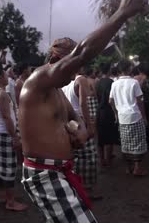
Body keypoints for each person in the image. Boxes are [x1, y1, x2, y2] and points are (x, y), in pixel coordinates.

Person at [20, 0, 149, 222]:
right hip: (44, 174)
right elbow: (82, 53)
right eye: (70, 65)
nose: (75, 71)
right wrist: (122, 12)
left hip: (60, 170)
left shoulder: (57, 91)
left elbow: (73, 115)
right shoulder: (38, 80)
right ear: (54, 61)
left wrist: (80, 131)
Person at [0, 66, 28, 211]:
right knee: (9, 168)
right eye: (5, 75)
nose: (7, 76)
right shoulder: (2, 94)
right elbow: (6, 117)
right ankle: (10, 201)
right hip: (4, 134)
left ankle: (3, 195)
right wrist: (15, 137)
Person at [62, 66, 99, 199]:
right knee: (88, 156)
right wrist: (89, 126)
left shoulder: (65, 82)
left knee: (74, 156)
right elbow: (84, 103)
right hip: (80, 121)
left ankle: (75, 189)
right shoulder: (80, 80)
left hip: (69, 123)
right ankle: (86, 192)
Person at [110, 59, 148, 176]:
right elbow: (140, 101)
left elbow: (110, 100)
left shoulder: (114, 83)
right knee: (138, 142)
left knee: (125, 143)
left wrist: (116, 112)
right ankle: (137, 168)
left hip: (122, 117)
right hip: (135, 115)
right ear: (129, 69)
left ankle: (128, 168)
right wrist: (144, 116)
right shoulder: (134, 82)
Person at [95, 63, 119, 167]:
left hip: (99, 111)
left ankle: (102, 160)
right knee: (109, 137)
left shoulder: (97, 82)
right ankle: (108, 159)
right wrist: (115, 112)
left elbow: (97, 96)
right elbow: (111, 99)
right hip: (108, 111)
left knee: (101, 137)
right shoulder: (111, 82)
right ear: (109, 70)